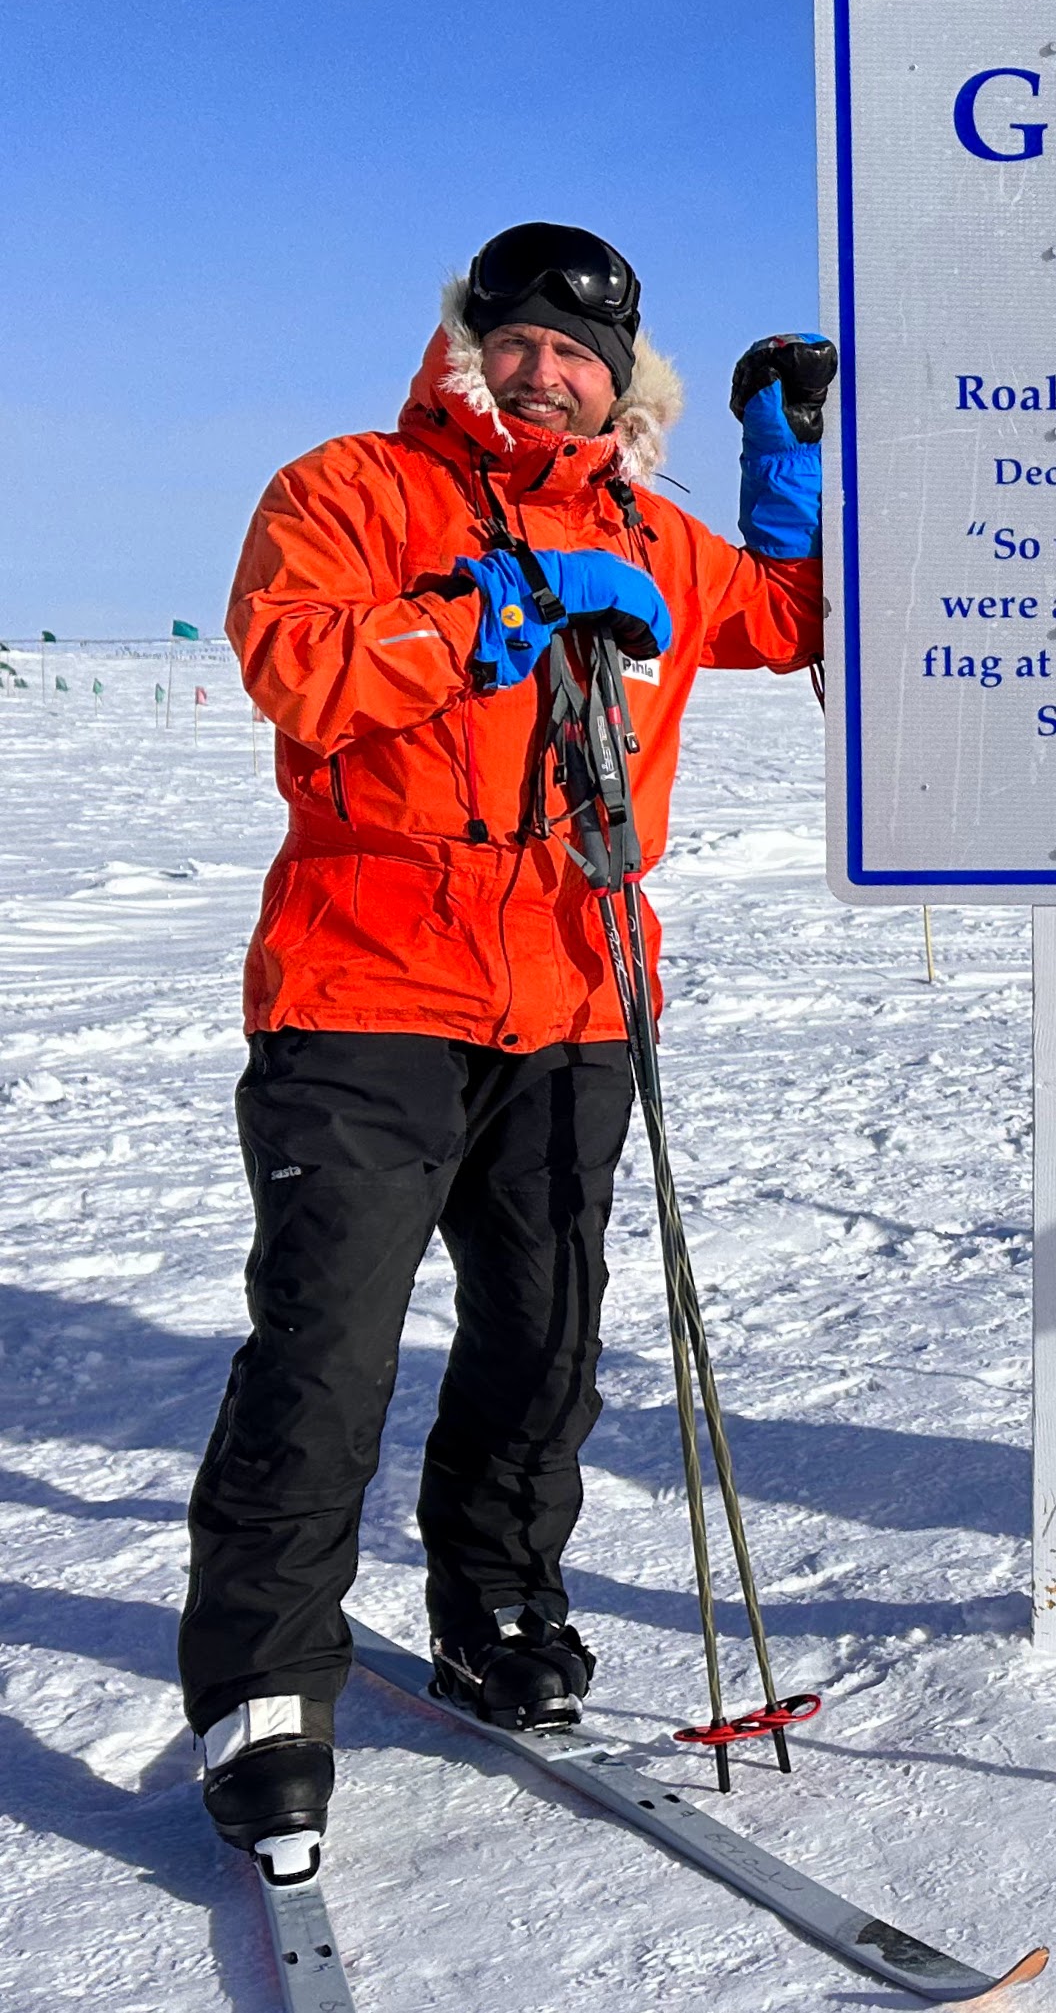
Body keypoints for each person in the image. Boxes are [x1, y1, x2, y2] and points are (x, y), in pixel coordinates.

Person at [183, 222, 830, 1879]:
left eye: (580, 352)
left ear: (623, 383)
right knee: (326, 1347)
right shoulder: (352, 486)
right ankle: (264, 1683)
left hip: (581, 989)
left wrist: (788, 469)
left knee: (545, 1338)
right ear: (468, 345)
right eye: (517, 338)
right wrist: (498, 606)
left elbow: (790, 618)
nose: (546, 370)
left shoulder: (647, 529)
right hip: (364, 988)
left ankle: (496, 1598)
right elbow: (295, 665)